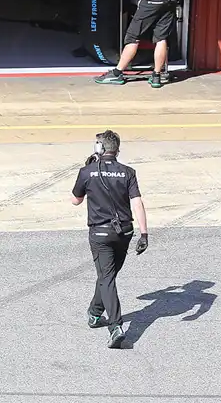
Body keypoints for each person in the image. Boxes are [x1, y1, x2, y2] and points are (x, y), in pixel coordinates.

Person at [71, 130, 149, 349]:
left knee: (106, 277)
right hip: (124, 232)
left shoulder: (86, 172)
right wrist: (144, 233)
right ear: (117, 150)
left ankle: (115, 326)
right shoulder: (128, 172)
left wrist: (87, 171)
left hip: (100, 234)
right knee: (108, 275)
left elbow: (75, 201)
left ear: (99, 148)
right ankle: (95, 313)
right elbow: (137, 203)